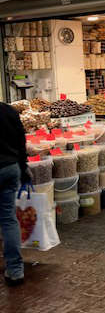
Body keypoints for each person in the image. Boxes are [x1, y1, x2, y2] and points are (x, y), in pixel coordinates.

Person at [0, 102, 31, 286]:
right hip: (10, 168)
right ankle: (15, 270)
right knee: (8, 219)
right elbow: (21, 141)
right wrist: (23, 167)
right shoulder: (8, 110)